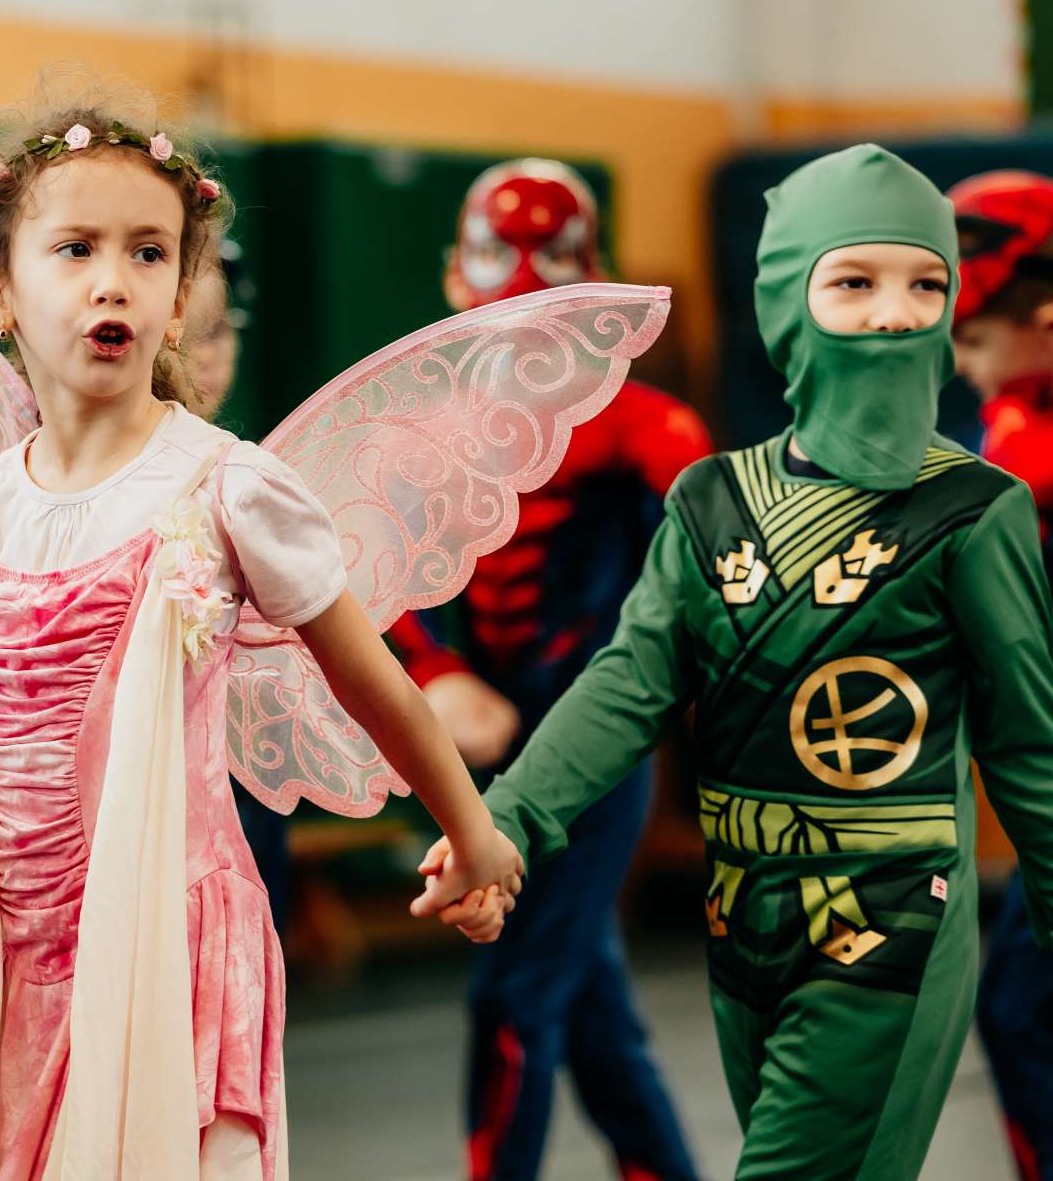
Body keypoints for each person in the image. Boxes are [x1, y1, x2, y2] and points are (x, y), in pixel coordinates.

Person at [0, 81, 526, 1179]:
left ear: (179, 302)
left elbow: (375, 685)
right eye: (76, 248)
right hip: (9, 962)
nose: (112, 281)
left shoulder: (228, 489)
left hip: (173, 954)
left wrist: (473, 832)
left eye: (149, 253)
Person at [427, 144, 1053, 1179]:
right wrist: (506, 819)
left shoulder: (975, 509)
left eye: (926, 284)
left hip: (889, 929)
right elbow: (631, 682)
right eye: (854, 282)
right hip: (746, 928)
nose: (894, 313)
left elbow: (1030, 751)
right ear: (787, 297)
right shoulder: (711, 496)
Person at [390, 159, 704, 1181]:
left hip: (600, 749)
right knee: (588, 1005)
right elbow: (367, 570)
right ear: (454, 279)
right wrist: (435, 671)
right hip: (482, 746)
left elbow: (708, 568)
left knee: (518, 989)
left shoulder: (644, 428)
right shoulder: (425, 435)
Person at [945, 169, 1053, 1181]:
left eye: (975, 340)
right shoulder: (1017, 426)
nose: (962, 364)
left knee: (1019, 1005)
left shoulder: (1024, 443)